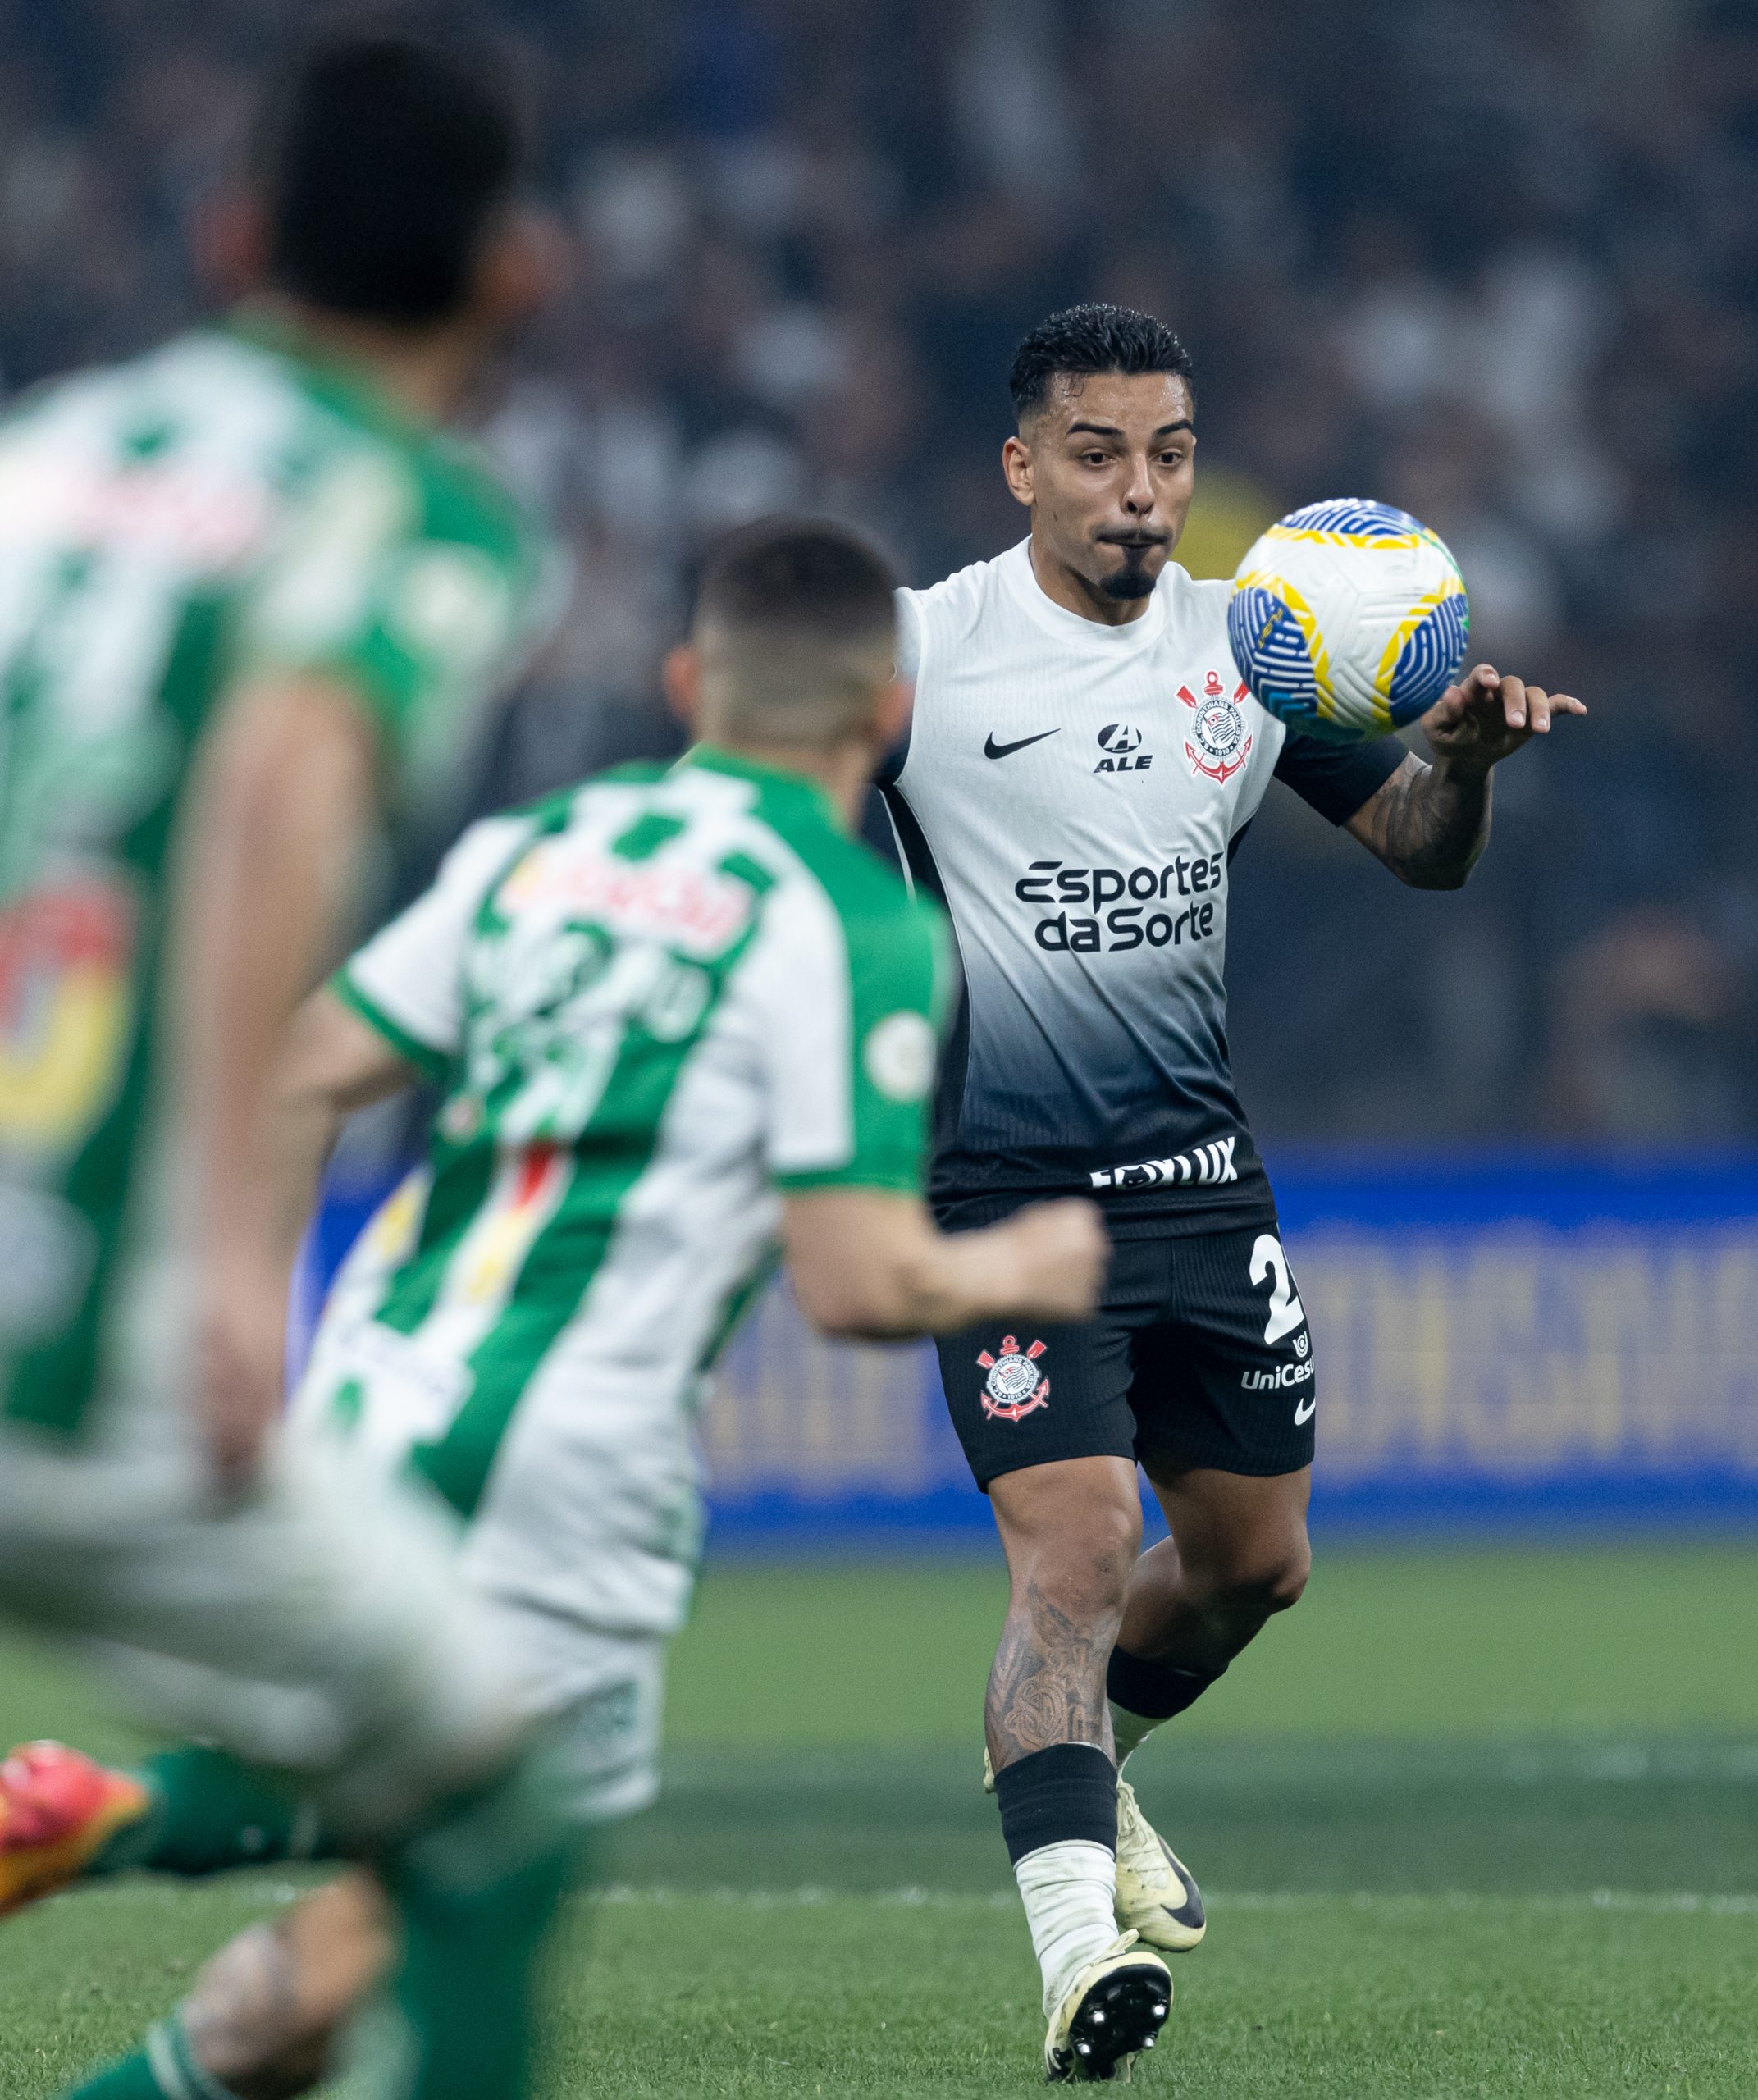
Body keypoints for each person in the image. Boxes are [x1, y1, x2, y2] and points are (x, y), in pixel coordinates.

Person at [2, 518, 1116, 2092]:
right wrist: (1012, 1268)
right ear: (884, 716)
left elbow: (304, 1067)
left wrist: (245, 1298)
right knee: (484, 1841)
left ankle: (93, 1825)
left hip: (374, 1400)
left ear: (684, 683)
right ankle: (107, 1812)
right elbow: (858, 1278)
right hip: (569, 1466)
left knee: (349, 1946)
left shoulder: (537, 852)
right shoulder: (858, 927)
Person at [877, 302, 1586, 2077]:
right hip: (1006, 1200)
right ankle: (1069, 1950)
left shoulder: (1257, 650)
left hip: (1205, 1192)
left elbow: (1418, 850)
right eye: (1101, 456)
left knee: (1255, 1563)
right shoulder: (917, 656)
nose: (1141, 495)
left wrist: (1466, 773)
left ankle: (1073, 1758)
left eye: (1171, 456)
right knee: (1075, 1548)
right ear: (1022, 463)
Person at [0, 19, 582, 2100]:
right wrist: (248, 1267)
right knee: (483, 1796)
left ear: (238, 233)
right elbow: (277, 777)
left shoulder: (51, 453)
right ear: (520, 270)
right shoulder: (427, 514)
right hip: (86, 1354)